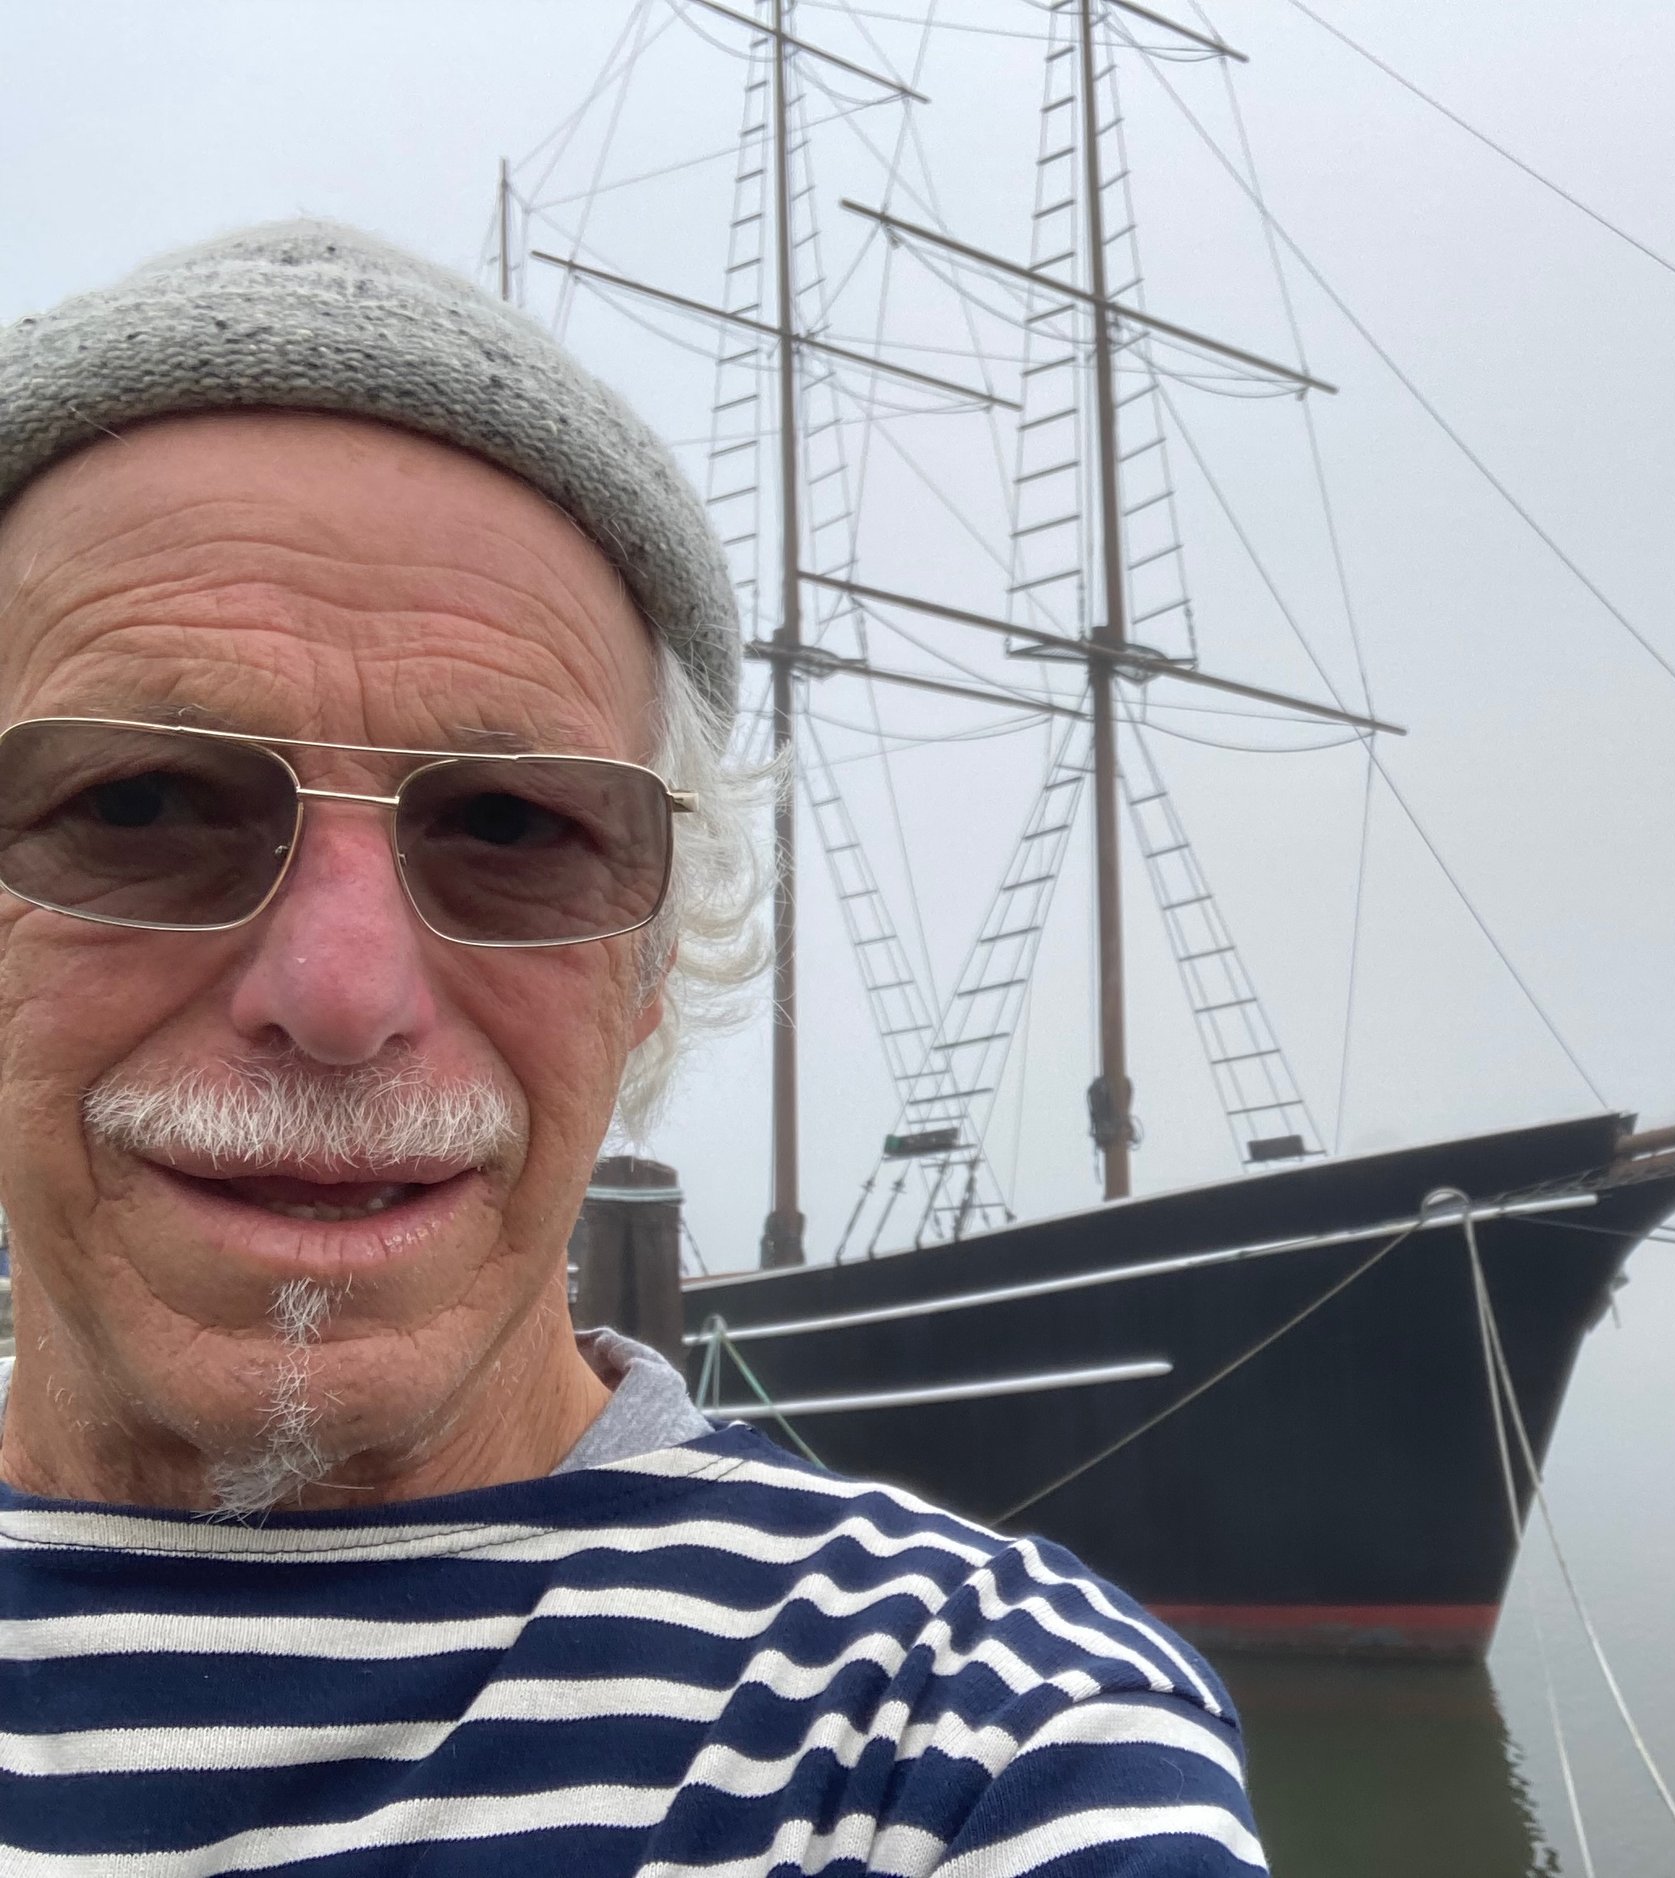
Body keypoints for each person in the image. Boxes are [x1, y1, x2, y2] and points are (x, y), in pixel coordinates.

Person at [0, 222, 1265, 1875]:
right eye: (142, 802)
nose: (341, 990)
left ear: (652, 970)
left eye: (516, 825)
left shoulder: (964, 1742)